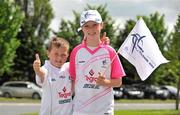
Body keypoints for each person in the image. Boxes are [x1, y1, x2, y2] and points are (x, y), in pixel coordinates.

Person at [69, 10, 126, 115]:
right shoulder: (76, 51)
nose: (91, 29)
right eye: (86, 26)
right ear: (82, 28)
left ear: (101, 25)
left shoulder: (110, 51)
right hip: (81, 110)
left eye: (94, 25)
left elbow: (118, 81)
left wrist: (105, 82)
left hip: (104, 110)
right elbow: (73, 79)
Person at [33, 37, 73, 115]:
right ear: (48, 53)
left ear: (67, 55)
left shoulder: (68, 67)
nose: (59, 58)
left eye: (63, 55)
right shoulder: (46, 69)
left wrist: (102, 45)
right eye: (56, 54)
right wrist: (37, 70)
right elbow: (42, 73)